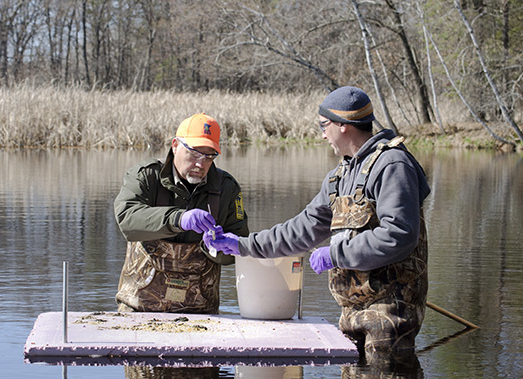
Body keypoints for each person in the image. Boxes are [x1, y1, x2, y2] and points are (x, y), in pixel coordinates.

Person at [208, 86, 430, 353]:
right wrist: (245, 245)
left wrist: (335, 254)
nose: (323, 134)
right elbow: (301, 230)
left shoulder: (392, 165)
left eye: (324, 125)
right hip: (351, 313)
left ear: (343, 125)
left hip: (391, 315)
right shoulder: (340, 175)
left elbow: (398, 235)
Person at [114, 112, 249, 314]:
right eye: (194, 154)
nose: (200, 164)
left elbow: (241, 245)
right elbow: (127, 219)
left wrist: (224, 248)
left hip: (202, 314)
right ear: (175, 145)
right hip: (138, 310)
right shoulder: (146, 176)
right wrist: (178, 218)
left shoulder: (226, 188)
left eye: (209, 156)